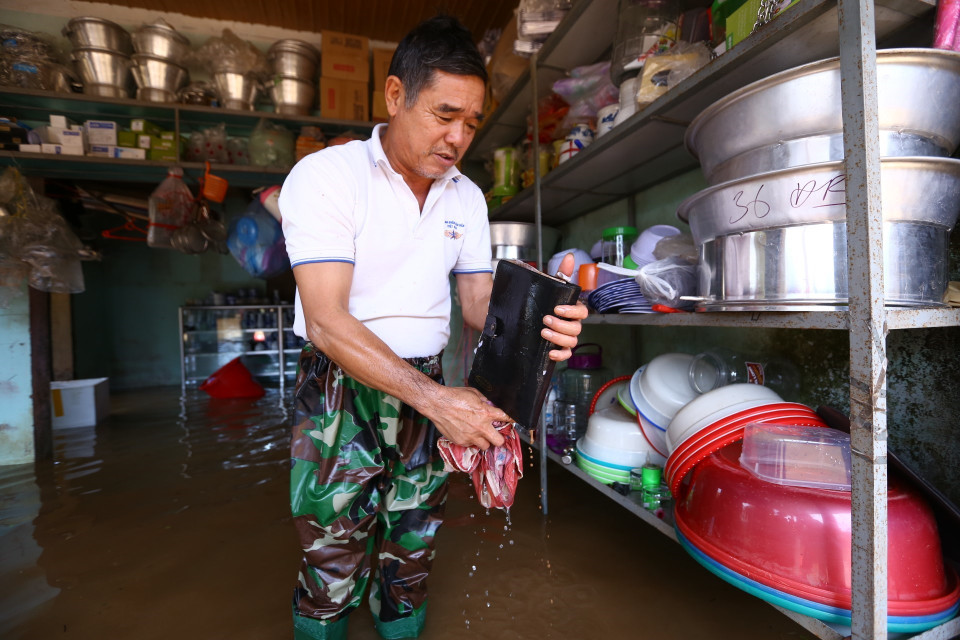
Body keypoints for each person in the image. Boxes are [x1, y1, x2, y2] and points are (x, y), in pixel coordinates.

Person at [279, 15, 587, 640]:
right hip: (341, 386)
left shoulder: (465, 198)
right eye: (443, 114)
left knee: (412, 548)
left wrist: (545, 324)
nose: (457, 137)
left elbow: (478, 304)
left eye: (471, 123)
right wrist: (438, 401)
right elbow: (327, 319)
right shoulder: (326, 177)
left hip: (426, 385)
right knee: (330, 558)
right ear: (395, 96)